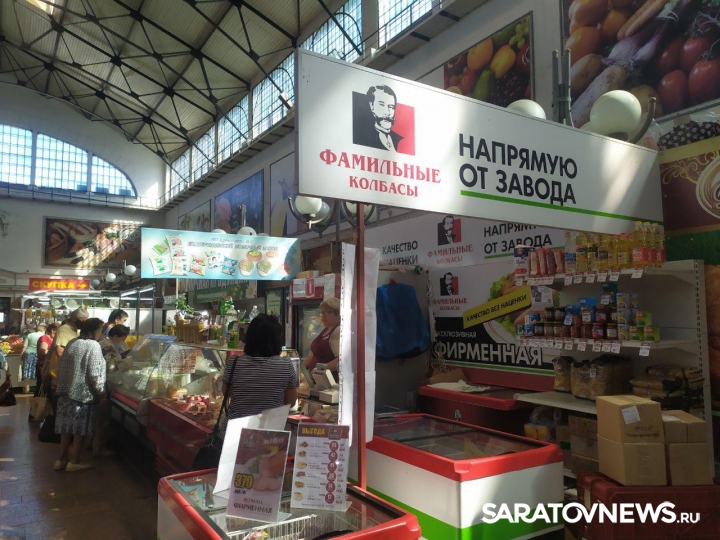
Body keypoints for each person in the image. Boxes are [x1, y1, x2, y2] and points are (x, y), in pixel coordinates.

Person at [218, 314, 298, 441]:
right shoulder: (286, 364)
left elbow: (226, 393)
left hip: (234, 435)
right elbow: (291, 402)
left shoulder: (234, 362)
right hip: (268, 437)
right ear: (277, 340)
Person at [53, 318, 106, 472]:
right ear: (95, 330)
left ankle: (62, 460)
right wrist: (101, 393)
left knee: (66, 428)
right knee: (80, 429)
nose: (100, 333)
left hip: (65, 392)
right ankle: (75, 460)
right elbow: (95, 373)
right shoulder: (93, 346)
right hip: (83, 394)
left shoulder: (72, 342)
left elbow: (60, 366)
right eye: (100, 330)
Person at [93, 324, 129, 457]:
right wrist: (126, 364)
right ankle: (99, 449)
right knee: (102, 420)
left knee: (97, 419)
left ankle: (92, 444)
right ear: (115, 336)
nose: (122, 342)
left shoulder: (103, 342)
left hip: (100, 385)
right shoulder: (107, 346)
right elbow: (110, 367)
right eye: (122, 339)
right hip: (103, 386)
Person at [354, 85, 403, 152]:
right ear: (372, 106)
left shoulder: (400, 140)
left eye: (391, 107)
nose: (387, 112)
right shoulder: (361, 138)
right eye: (382, 105)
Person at [303, 297, 340, 378]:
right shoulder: (326, 329)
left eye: (328, 312)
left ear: (338, 314)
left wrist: (320, 369)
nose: (323, 316)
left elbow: (340, 360)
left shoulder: (337, 331)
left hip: (329, 381)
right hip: (317, 380)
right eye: (322, 312)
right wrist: (300, 368)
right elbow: (316, 354)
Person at [21, 324, 45, 393]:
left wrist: (21, 354)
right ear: (44, 330)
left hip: (28, 353)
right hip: (38, 354)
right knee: (38, 371)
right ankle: (38, 389)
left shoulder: (30, 335)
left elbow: (24, 346)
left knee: (27, 371)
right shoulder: (44, 336)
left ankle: (26, 389)